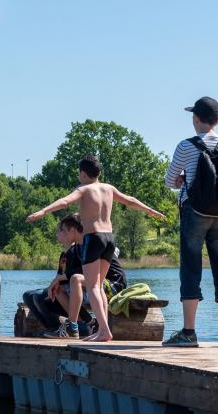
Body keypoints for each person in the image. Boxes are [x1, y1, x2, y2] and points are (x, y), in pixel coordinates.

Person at [27, 155, 164, 342]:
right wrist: (150, 210)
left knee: (92, 287)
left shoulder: (84, 189)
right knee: (98, 286)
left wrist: (43, 211)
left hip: (93, 238)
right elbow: (130, 200)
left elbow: (65, 201)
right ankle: (101, 329)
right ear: (98, 173)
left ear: (83, 173)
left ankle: (104, 331)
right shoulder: (109, 188)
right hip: (109, 238)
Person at [163, 96, 218, 347]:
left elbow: (169, 181)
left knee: (190, 268)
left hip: (194, 211)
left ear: (196, 119)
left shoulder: (186, 146)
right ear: (216, 121)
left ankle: (189, 332)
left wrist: (183, 177)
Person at [43, 213, 127, 339]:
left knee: (76, 279)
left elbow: (89, 272)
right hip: (95, 282)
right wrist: (57, 281)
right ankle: (87, 324)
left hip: (113, 284)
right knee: (58, 288)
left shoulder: (92, 242)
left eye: (64, 231)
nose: (63, 234)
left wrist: (60, 277)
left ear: (73, 230)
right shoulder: (77, 247)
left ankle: (72, 327)